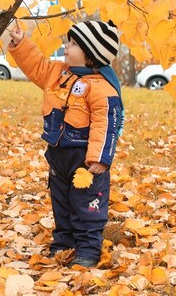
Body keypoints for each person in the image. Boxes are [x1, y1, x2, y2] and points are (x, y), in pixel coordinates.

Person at [7, 20, 124, 268]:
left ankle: (88, 249)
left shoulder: (102, 88)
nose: (66, 47)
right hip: (58, 154)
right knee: (61, 202)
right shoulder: (57, 73)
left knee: (87, 204)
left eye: (73, 44)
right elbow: (36, 66)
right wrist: (21, 43)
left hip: (85, 159)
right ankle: (64, 244)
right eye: (68, 42)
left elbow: (107, 124)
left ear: (90, 54)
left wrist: (100, 158)